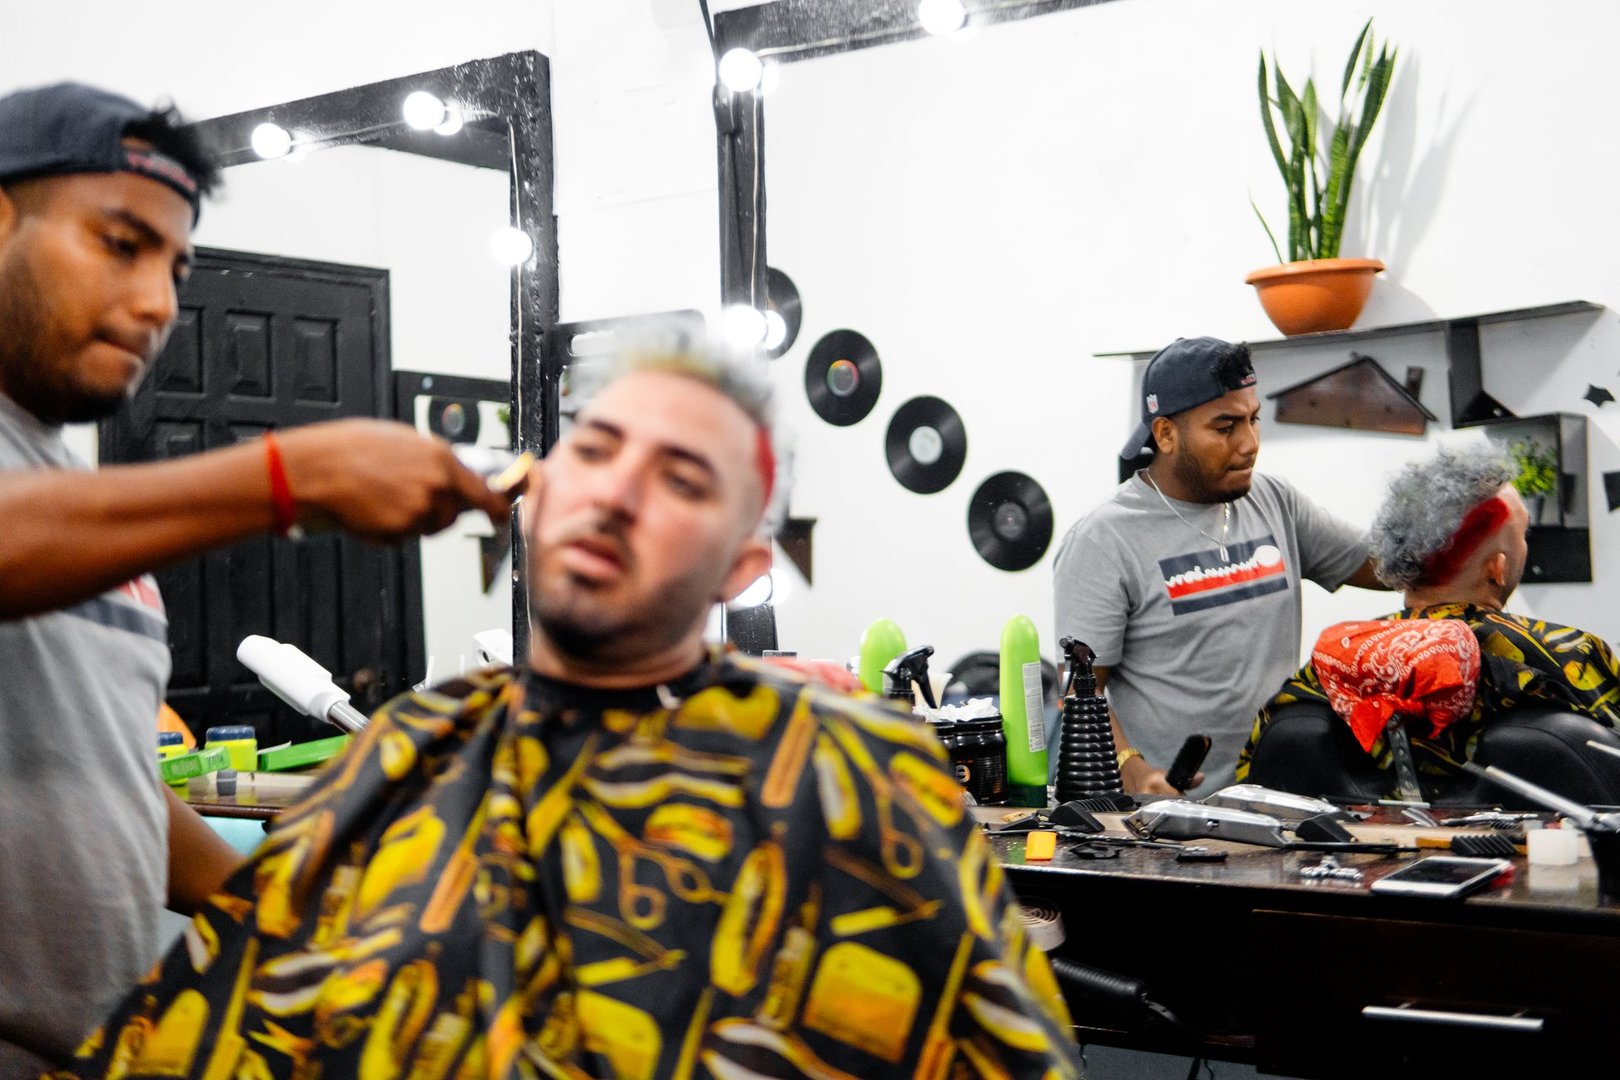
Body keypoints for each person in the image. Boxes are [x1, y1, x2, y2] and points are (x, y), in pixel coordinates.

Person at [65, 349, 1082, 1079]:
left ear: (743, 565)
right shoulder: (416, 746)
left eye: (680, 478)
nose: (618, 495)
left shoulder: (849, 776)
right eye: (595, 453)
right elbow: (235, 1011)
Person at [0, 82, 516, 1072]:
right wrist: (292, 475)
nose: (159, 302)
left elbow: (110, 796)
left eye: (175, 265)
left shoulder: (64, 491)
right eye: (120, 244)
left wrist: (328, 908)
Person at [1052, 336, 1381, 796]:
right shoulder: (1104, 541)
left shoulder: (1275, 501)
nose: (1248, 444)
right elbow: (1078, 692)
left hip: (1284, 800)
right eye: (1225, 427)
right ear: (1165, 434)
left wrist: (1469, 524)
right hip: (1174, 822)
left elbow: (1386, 566)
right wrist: (1131, 768)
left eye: (1253, 420)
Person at [1237, 443, 1620, 784]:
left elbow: (1260, 774)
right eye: (1522, 534)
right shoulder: (1568, 654)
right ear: (1497, 567)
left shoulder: (1334, 663)